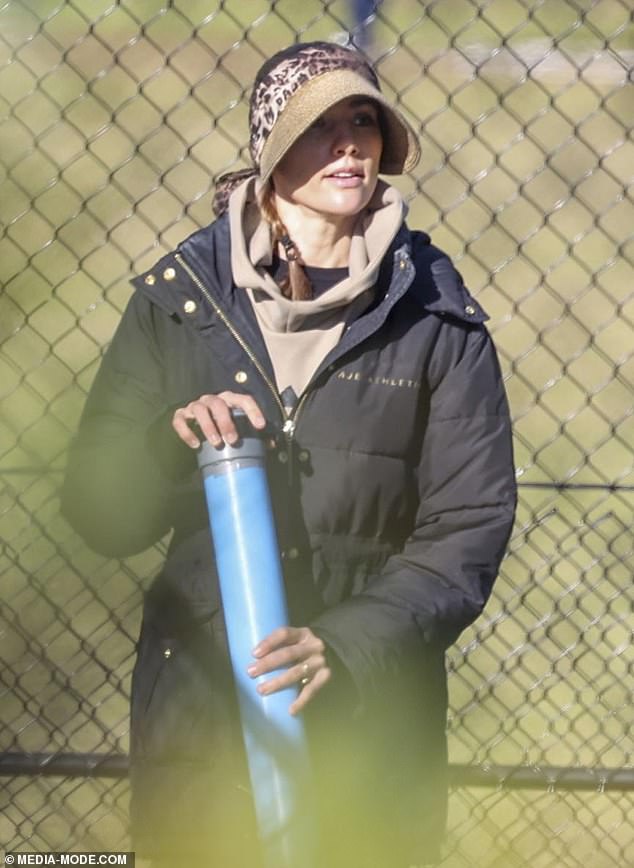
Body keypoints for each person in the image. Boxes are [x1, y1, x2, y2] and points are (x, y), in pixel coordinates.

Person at [62, 41, 516, 868]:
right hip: (200, 720)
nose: (352, 145)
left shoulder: (438, 318)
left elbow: (468, 530)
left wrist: (344, 641)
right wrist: (169, 444)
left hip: (370, 723)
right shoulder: (180, 300)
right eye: (322, 126)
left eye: (364, 122)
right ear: (272, 150)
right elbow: (96, 510)